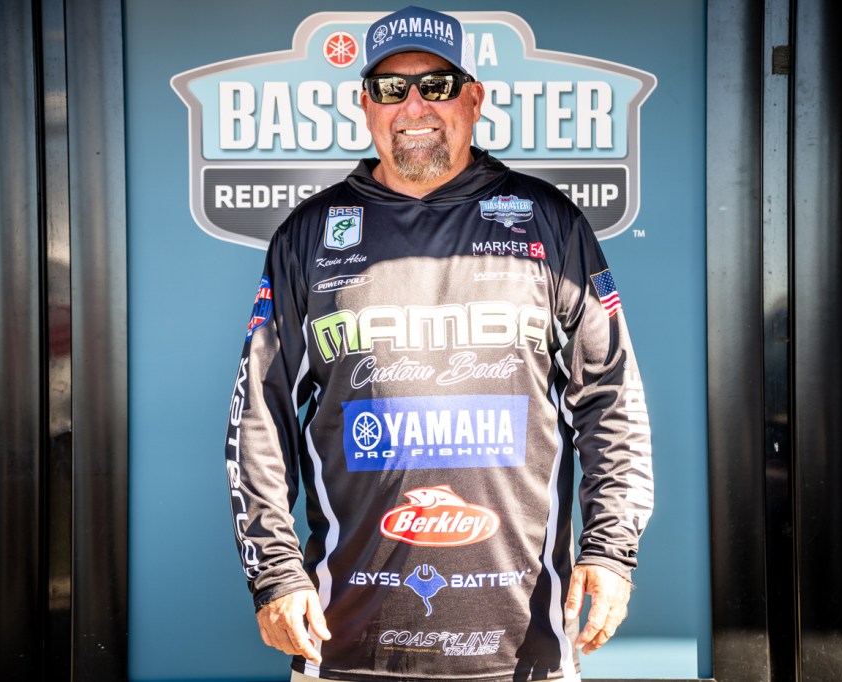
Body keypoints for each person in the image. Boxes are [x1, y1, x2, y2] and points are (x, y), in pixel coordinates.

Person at [224, 6, 654, 681]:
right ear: (366, 105)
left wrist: (609, 549)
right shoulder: (309, 235)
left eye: (437, 85)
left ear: (473, 99)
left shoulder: (549, 222)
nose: (414, 106)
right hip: (345, 645)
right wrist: (275, 571)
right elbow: (260, 416)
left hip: (523, 648)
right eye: (392, 88)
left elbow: (611, 400)